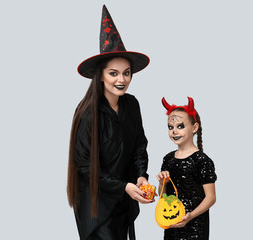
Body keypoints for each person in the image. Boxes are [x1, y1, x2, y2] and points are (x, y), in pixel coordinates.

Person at [67, 5, 153, 240]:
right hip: (96, 205)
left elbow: (139, 147)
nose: (121, 79)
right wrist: (124, 186)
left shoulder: (132, 105)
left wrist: (141, 177)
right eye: (113, 73)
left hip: (123, 201)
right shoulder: (87, 113)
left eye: (126, 73)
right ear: (101, 75)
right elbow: (84, 166)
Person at [156, 97, 217, 240]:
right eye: (170, 127)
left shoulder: (201, 160)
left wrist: (190, 216)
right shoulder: (168, 159)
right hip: (171, 224)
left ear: (194, 128)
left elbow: (211, 197)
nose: (174, 131)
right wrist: (161, 183)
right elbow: (163, 196)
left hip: (195, 226)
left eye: (180, 126)